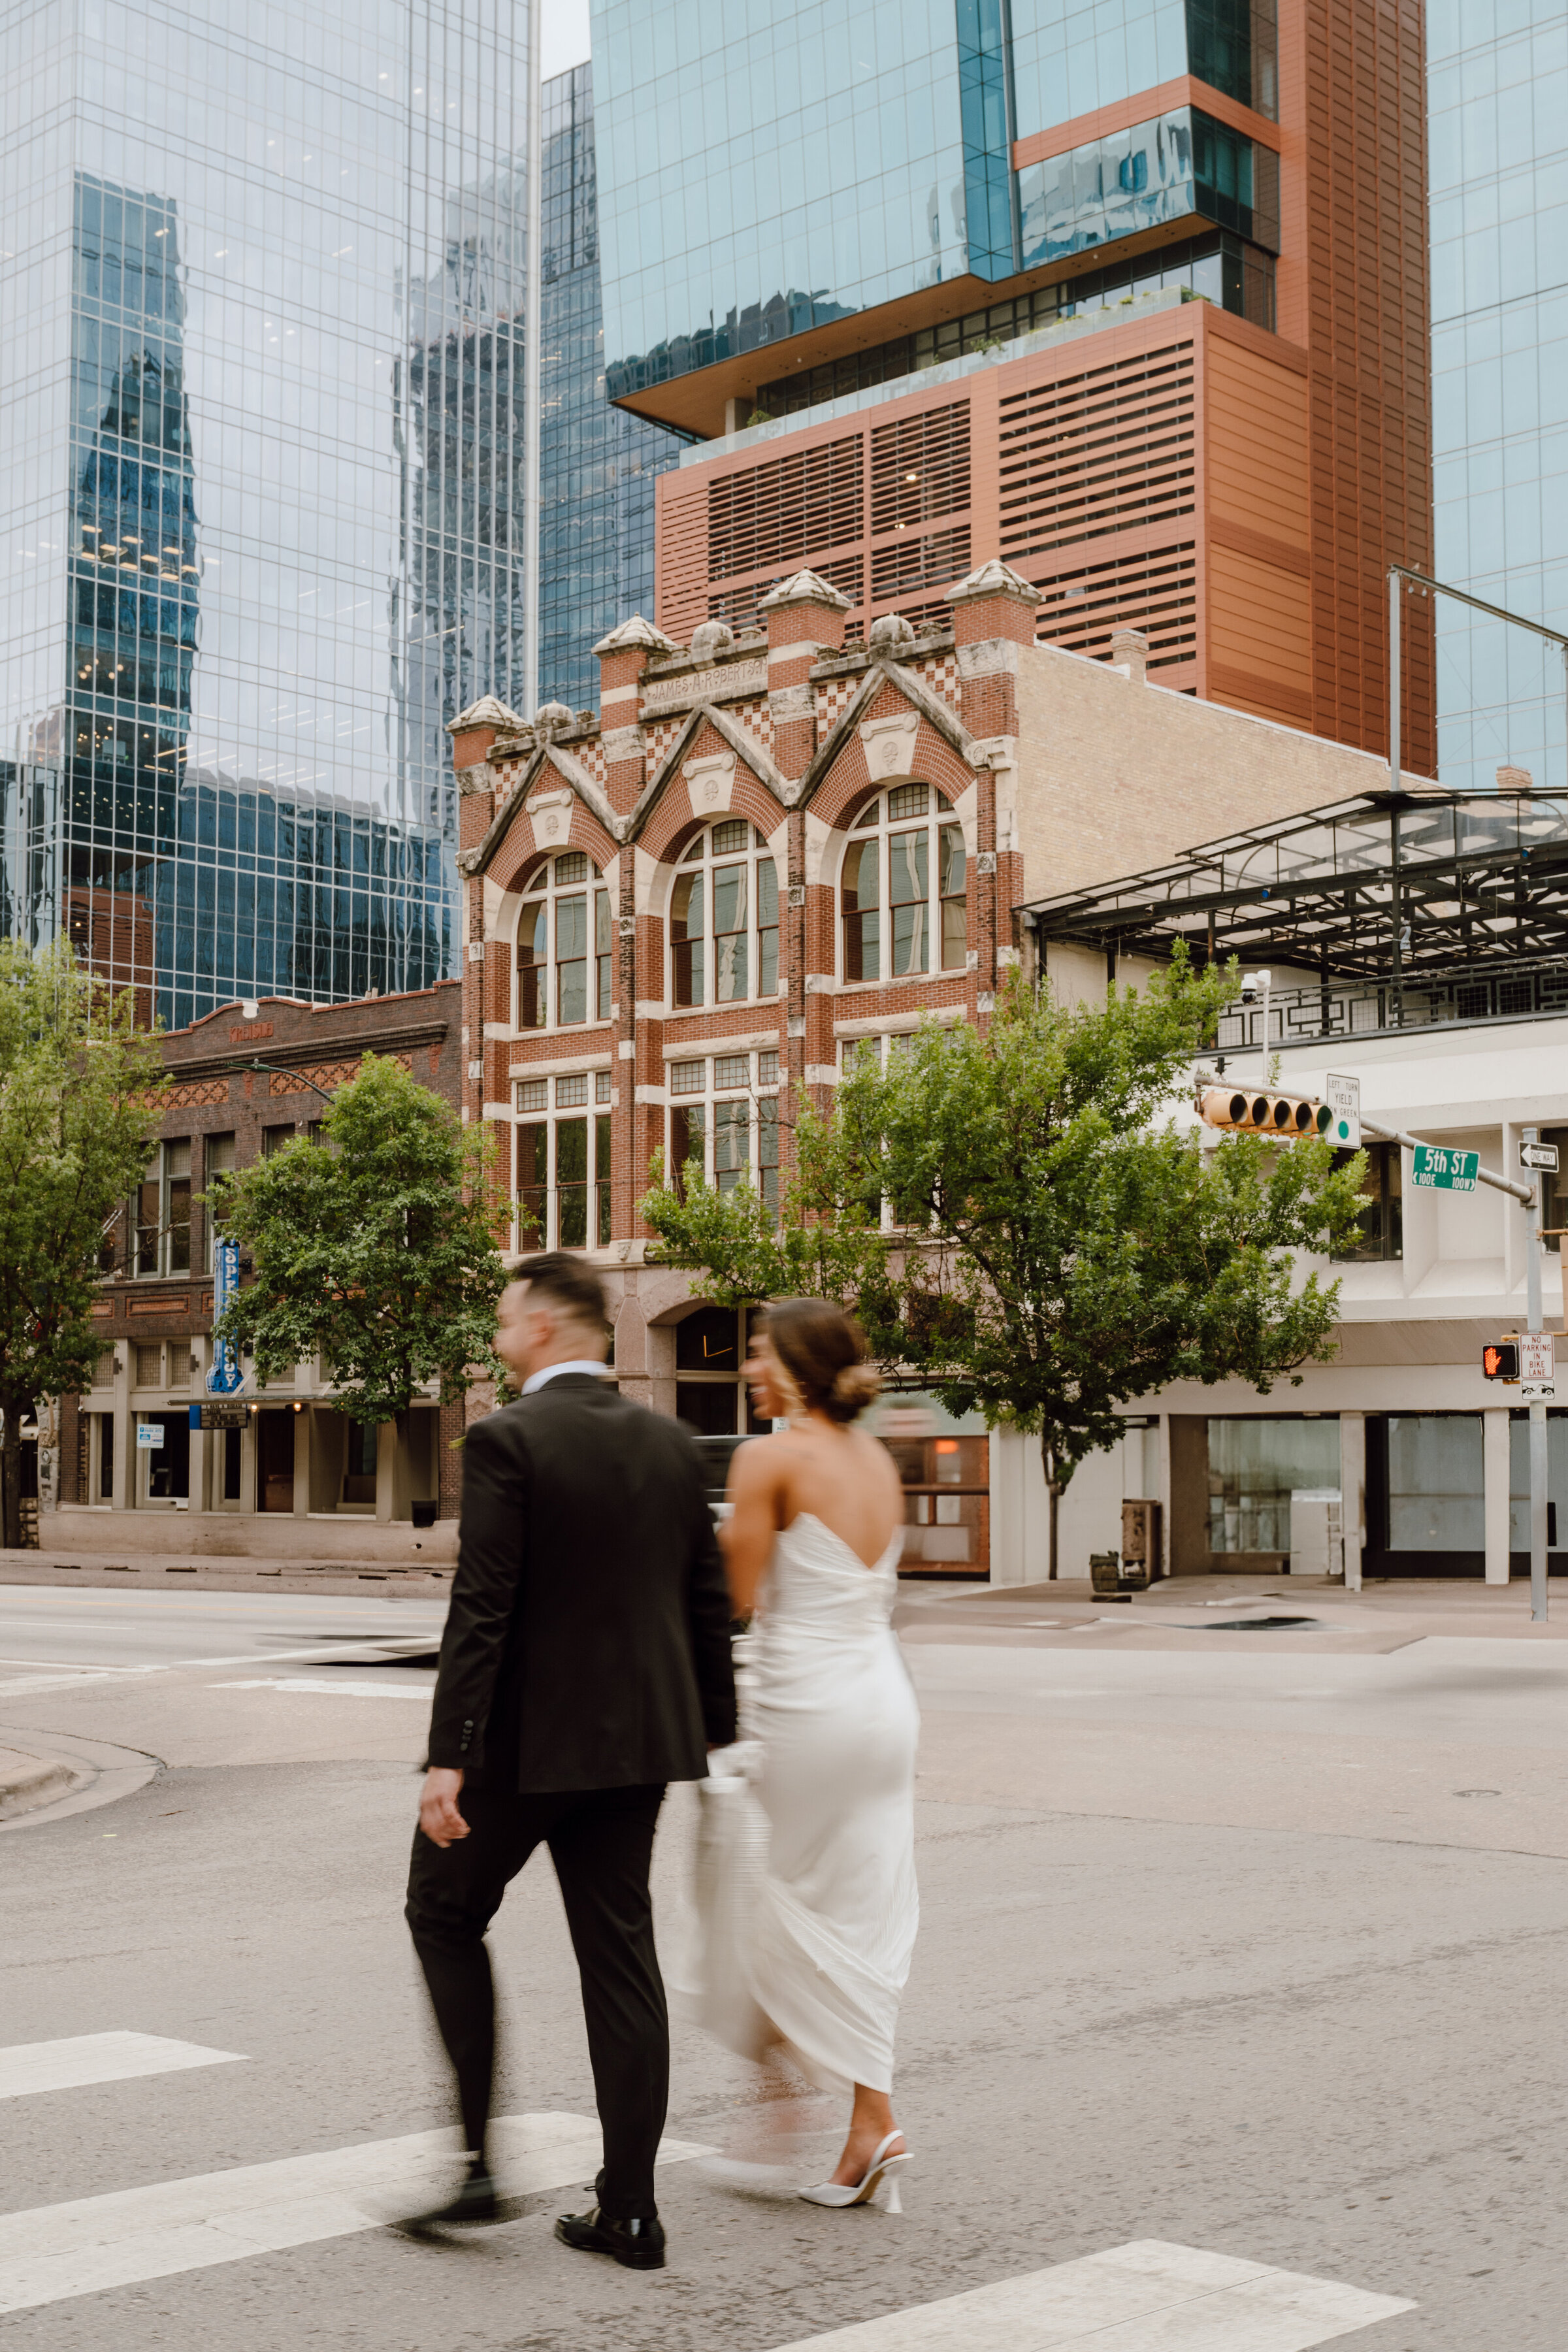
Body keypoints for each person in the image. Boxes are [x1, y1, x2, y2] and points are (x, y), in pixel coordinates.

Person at [403, 1252, 736, 2270]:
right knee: (620, 1962)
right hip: (636, 1749)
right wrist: (714, 1733)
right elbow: (706, 1600)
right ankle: (630, 2212)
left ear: (546, 1327)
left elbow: (484, 1608)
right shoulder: (673, 1445)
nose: (499, 1340)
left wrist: (447, 1757)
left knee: (444, 1915)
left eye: (506, 1322)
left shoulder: (506, 1439)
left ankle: (475, 2168)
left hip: (518, 1748)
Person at [704, 1297, 919, 2212]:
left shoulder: (770, 1458)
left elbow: (735, 1598)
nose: (748, 1369)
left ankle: (784, 2101)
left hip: (808, 1710)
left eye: (758, 1355)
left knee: (749, 1896)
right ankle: (870, 2120)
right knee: (856, 1912)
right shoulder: (877, 1459)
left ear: (794, 1367)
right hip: (884, 1705)